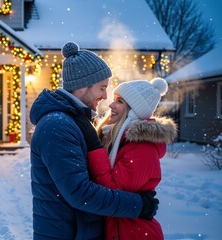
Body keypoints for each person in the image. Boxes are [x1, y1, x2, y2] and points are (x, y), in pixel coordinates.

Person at [29, 42, 159, 239]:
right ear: (83, 85)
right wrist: (139, 205)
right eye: (102, 88)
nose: (105, 96)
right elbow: (81, 193)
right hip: (66, 234)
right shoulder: (57, 125)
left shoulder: (74, 121)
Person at [83, 78, 177, 239]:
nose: (111, 105)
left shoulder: (142, 147)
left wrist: (94, 149)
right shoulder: (116, 139)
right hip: (119, 228)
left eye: (119, 101)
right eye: (114, 100)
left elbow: (114, 189)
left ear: (133, 111)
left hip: (135, 232)